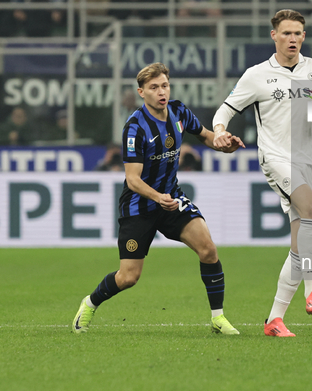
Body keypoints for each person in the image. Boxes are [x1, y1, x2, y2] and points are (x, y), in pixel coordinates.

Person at [72, 62, 244, 335]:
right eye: (154, 88)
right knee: (129, 277)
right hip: (139, 205)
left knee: (208, 250)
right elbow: (133, 179)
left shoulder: (179, 111)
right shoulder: (135, 128)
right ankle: (91, 302)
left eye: (164, 85)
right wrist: (157, 197)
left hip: (171, 199)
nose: (161, 92)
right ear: (142, 92)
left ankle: (218, 318)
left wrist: (224, 144)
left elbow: (206, 136)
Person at [212, 9, 312, 337]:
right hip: (277, 158)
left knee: (301, 238)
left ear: (304, 37)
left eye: (298, 33)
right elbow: (225, 110)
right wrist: (219, 132)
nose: (293, 39)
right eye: (286, 33)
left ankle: (274, 320)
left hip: (311, 160)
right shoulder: (257, 75)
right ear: (274, 36)